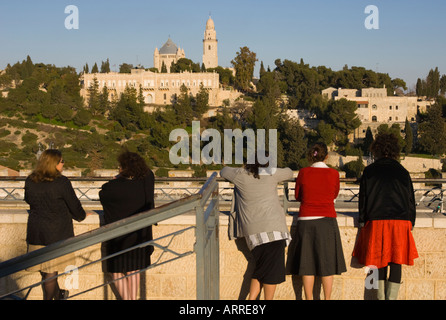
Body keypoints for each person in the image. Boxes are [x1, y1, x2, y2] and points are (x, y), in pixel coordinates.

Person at [352, 133, 418, 300]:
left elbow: (363, 200)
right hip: (400, 221)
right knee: (397, 262)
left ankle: (380, 297)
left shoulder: (369, 171)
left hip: (377, 221)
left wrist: (362, 221)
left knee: (378, 262)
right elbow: (411, 200)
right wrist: (411, 222)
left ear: (377, 150)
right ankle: (391, 298)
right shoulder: (403, 171)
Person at [220, 158, 293, 300]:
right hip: (274, 232)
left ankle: (251, 299)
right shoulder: (271, 173)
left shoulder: (240, 175)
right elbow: (290, 172)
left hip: (252, 234)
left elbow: (223, 171)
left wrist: (243, 169)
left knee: (261, 268)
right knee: (271, 273)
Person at [287, 143, 346, 300]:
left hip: (306, 220)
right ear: (326, 156)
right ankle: (327, 298)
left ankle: (308, 298)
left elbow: (298, 195)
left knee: (307, 264)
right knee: (327, 264)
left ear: (310, 156)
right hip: (327, 220)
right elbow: (334, 194)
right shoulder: (334, 174)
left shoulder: (303, 172)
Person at [25, 149, 86, 300]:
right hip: (57, 234)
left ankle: (59, 295)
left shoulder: (30, 180)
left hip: (37, 231)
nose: (63, 164)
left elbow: (28, 200)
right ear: (55, 163)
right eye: (62, 161)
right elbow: (74, 205)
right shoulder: (61, 182)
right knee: (51, 272)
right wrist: (82, 216)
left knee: (47, 271)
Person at [99, 151, 155, 300]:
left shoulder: (114, 187)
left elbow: (103, 194)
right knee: (134, 270)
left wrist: (118, 178)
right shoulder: (145, 181)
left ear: (123, 168)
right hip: (139, 234)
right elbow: (149, 173)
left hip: (117, 236)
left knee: (116, 270)